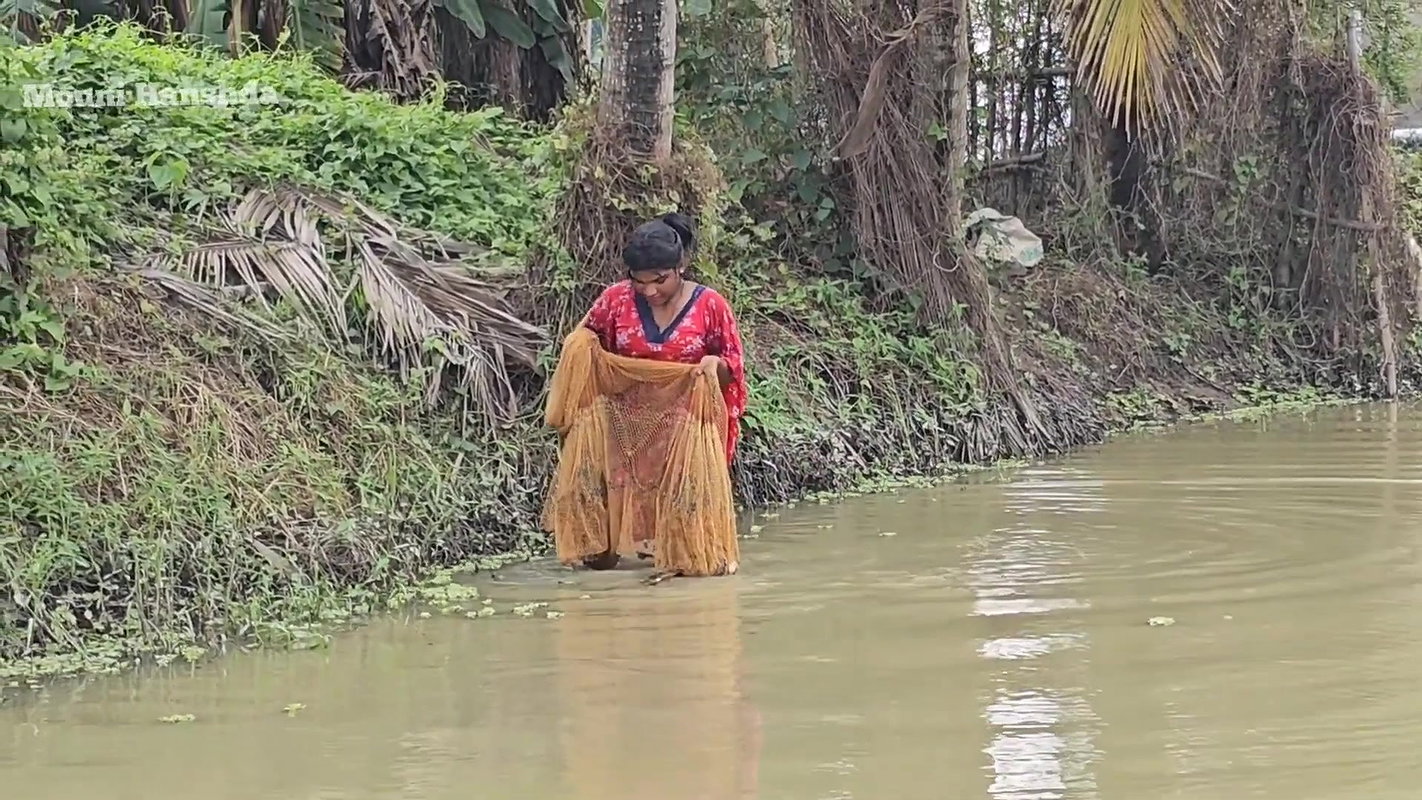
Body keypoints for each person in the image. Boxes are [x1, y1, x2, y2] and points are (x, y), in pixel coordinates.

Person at [574, 212, 748, 572]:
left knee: (686, 518)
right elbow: (587, 337)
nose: (649, 291)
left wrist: (712, 367)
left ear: (680, 266)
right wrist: (582, 345)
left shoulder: (710, 305)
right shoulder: (616, 301)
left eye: (659, 281)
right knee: (613, 528)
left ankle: (686, 556)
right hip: (629, 429)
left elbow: (733, 365)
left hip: (687, 429)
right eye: (639, 282)